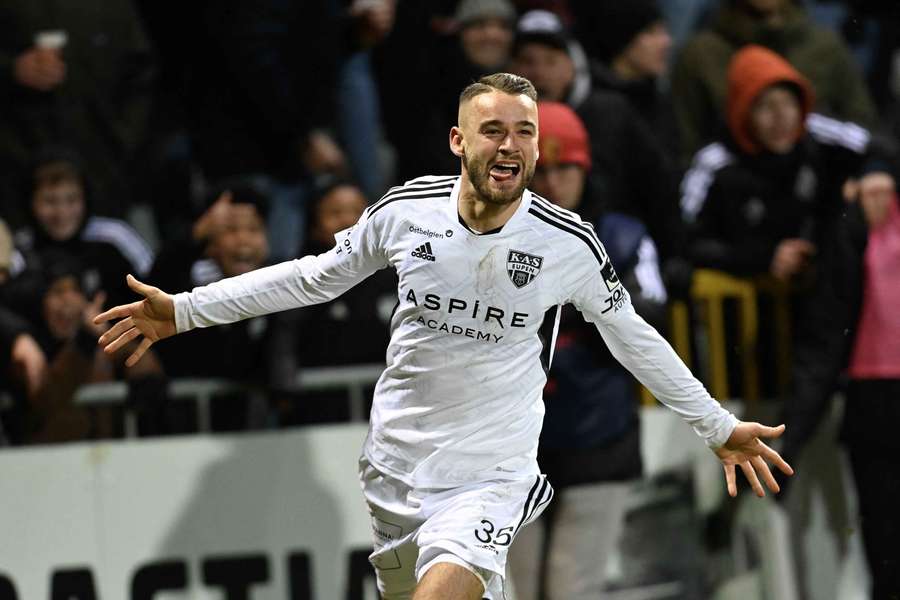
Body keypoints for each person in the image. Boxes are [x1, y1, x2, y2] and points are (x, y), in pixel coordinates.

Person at [95, 73, 793, 600]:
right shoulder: (406, 213)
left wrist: (715, 424)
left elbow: (634, 337)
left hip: (492, 476)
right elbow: (311, 279)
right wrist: (183, 310)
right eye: (493, 129)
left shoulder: (567, 244)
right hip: (395, 469)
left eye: (524, 132)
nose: (511, 146)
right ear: (459, 141)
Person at [507, 102, 667, 600]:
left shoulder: (623, 236)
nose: (553, 181)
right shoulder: (486, 239)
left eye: (565, 167)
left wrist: (572, 301)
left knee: (572, 588)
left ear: (585, 168)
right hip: (513, 449)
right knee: (519, 588)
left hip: (600, 437)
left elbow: (651, 318)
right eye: (542, 170)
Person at [671, 0, 877, 160]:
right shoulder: (701, 54)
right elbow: (684, 147)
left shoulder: (825, 47)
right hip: (731, 196)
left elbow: (863, 124)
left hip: (815, 191)